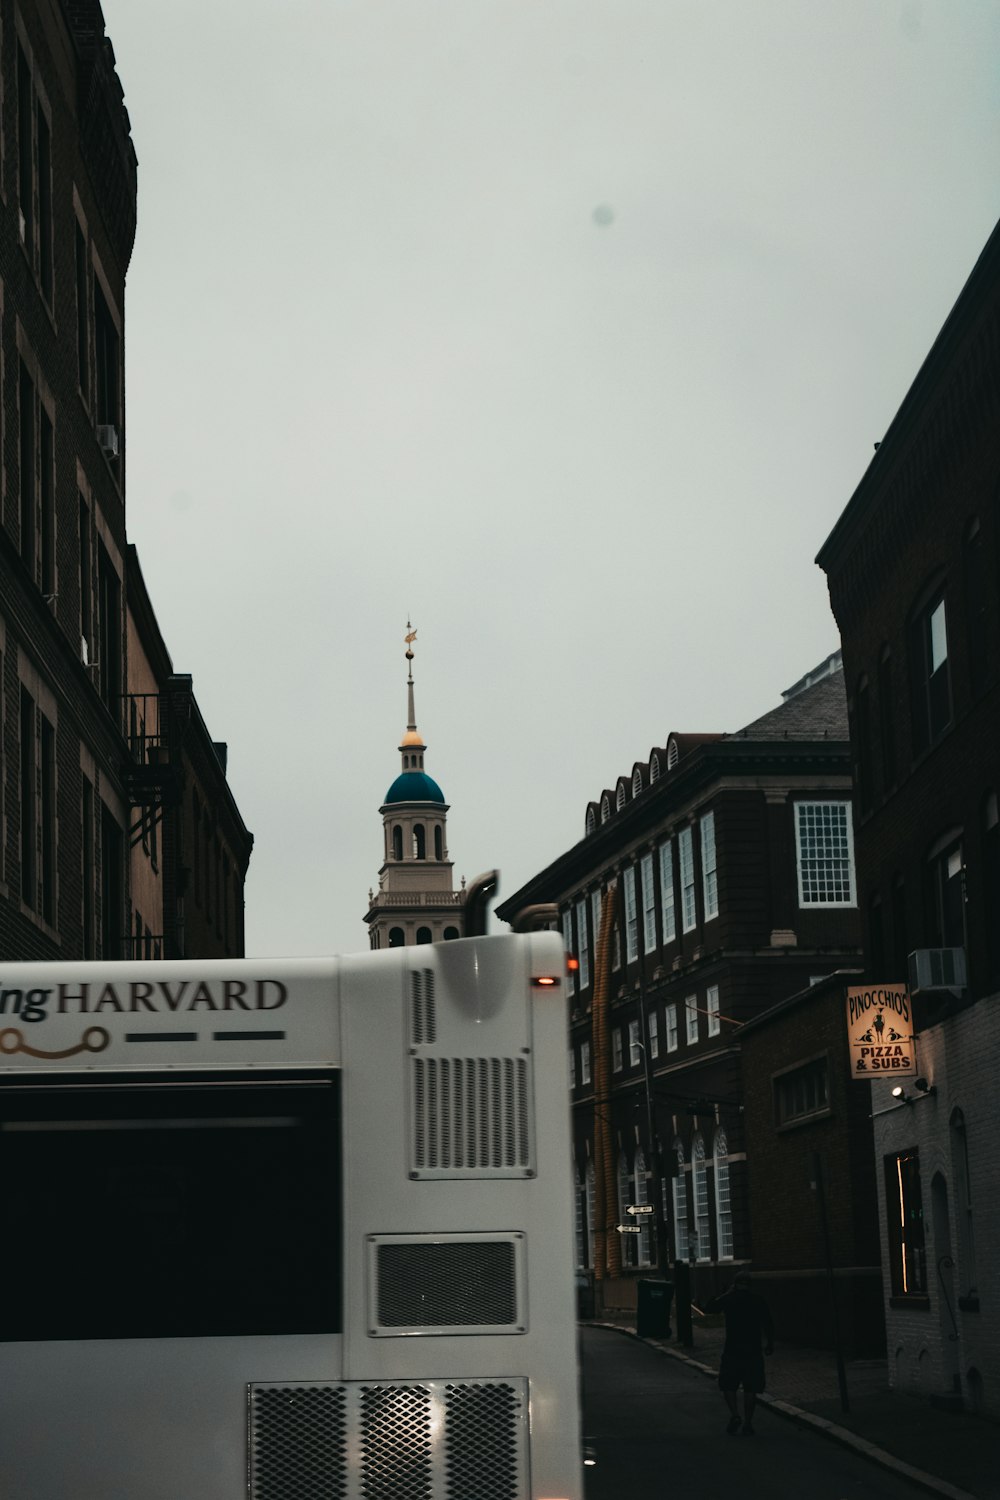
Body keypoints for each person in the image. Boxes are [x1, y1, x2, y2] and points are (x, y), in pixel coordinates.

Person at [705, 1271, 774, 1435]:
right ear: (749, 1285)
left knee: (728, 1384)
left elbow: (710, 1308)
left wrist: (726, 1293)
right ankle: (748, 1422)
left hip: (733, 1349)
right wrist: (770, 1343)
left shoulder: (729, 1299)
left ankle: (735, 1415)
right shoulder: (758, 1300)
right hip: (753, 1349)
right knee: (751, 1387)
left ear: (735, 1284)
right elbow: (768, 1322)